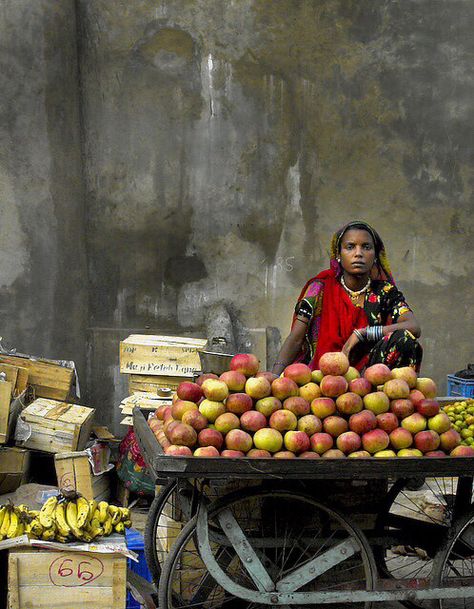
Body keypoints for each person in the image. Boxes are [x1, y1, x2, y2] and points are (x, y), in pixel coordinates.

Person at [272, 221, 422, 376]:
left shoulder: (385, 292)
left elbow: (413, 326)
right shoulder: (318, 289)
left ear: (376, 255)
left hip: (369, 379)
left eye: (366, 247)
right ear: (338, 254)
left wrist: (365, 333)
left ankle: (393, 395)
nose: (358, 253)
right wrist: (274, 377)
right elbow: (296, 339)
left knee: (405, 339)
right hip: (320, 378)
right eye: (350, 247)